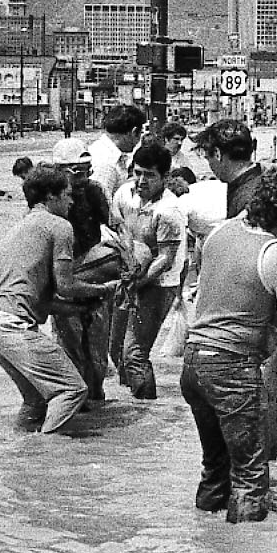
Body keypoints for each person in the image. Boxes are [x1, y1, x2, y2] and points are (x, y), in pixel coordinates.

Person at [182, 167, 277, 521]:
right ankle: (244, 551)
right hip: (232, 373)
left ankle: (206, 539)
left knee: (215, 468)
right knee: (249, 476)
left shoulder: (217, 234)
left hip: (194, 363)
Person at [0, 165, 118, 435]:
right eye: (67, 194)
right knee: (72, 391)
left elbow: (40, 301)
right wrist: (104, 289)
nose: (72, 201)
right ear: (51, 196)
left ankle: (22, 449)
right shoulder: (60, 226)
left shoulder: (21, 227)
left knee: (35, 401)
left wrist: (79, 307)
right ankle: (48, 448)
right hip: (13, 325)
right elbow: (66, 285)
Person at [48, 139, 124, 407]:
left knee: (97, 353)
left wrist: (128, 256)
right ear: (59, 171)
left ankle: (96, 403)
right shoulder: (50, 200)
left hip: (93, 280)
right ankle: (78, 406)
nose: (83, 179)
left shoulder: (93, 191)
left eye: (87, 171)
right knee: (70, 352)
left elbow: (116, 226)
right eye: (77, 172)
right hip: (65, 284)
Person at [109, 141, 186, 399]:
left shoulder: (169, 210)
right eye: (138, 173)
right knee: (115, 349)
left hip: (159, 283)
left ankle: (147, 405)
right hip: (130, 275)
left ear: (165, 177)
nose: (142, 181)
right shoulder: (124, 193)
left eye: (150, 175)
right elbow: (118, 228)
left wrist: (136, 284)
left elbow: (165, 259)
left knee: (135, 353)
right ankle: (135, 407)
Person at [196, 118, 264, 219]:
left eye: (208, 158)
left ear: (217, 154)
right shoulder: (263, 180)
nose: (210, 166)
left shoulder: (246, 198)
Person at [88, 104, 146, 201]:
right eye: (140, 133)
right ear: (133, 132)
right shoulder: (106, 162)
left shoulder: (108, 153)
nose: (139, 140)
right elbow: (101, 203)